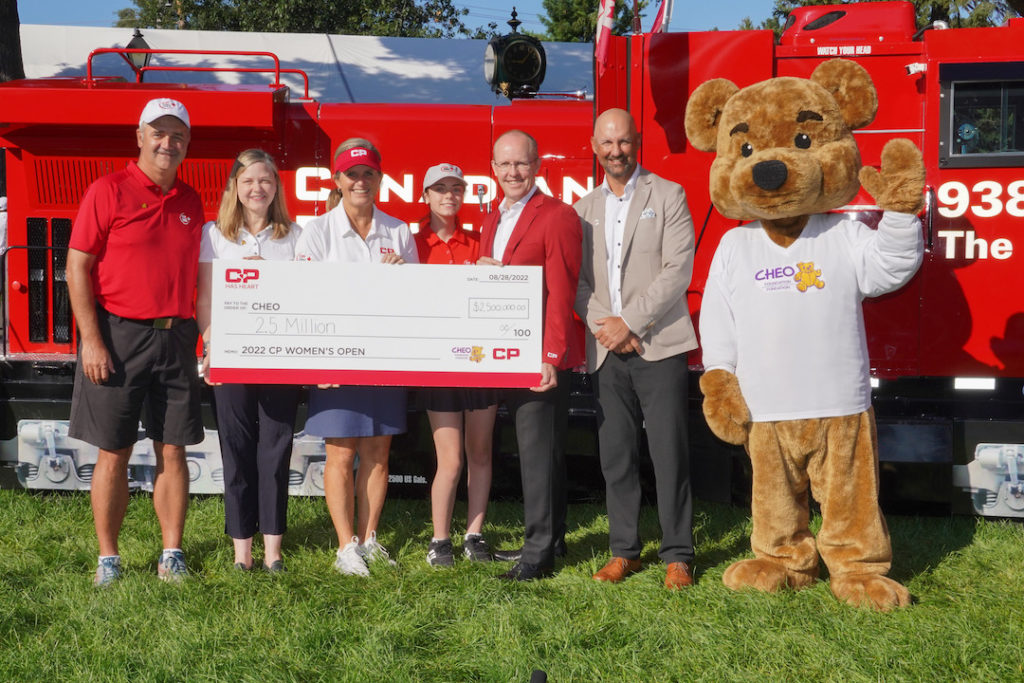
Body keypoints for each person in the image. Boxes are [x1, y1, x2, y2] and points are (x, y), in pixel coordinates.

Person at [66, 98, 204, 586]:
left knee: (173, 450)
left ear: (187, 144)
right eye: (159, 133)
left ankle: (172, 553)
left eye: (178, 135)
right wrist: (92, 340)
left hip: (177, 337)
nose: (169, 143)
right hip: (119, 336)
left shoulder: (191, 201)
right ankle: (109, 558)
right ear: (140, 137)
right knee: (114, 451)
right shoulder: (107, 190)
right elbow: (76, 267)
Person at [574, 108, 698, 589]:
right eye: (606, 143)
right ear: (594, 146)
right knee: (616, 454)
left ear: (637, 141)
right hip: (606, 349)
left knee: (669, 452)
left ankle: (678, 555)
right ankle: (624, 551)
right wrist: (605, 326)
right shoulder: (583, 209)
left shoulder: (668, 195)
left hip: (659, 344)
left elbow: (677, 270)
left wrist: (630, 321)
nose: (615, 151)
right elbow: (579, 282)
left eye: (623, 142)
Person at [294, 138, 419, 577]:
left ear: (380, 178)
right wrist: (315, 360)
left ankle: (369, 539)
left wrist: (403, 277)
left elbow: (418, 299)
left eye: (368, 173)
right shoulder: (317, 231)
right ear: (337, 180)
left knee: (379, 453)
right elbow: (305, 299)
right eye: (352, 174)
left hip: (384, 356)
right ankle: (345, 545)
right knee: (340, 454)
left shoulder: (399, 231)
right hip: (335, 358)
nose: (360, 181)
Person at [479, 130, 583, 581]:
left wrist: (551, 355)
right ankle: (552, 538)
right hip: (506, 352)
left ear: (537, 165)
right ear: (493, 168)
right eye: (504, 165)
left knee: (537, 454)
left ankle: (537, 554)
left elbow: (562, 288)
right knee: (540, 452)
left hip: (537, 355)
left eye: (520, 163)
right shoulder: (493, 219)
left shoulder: (557, 215)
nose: (512, 172)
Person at [196, 149, 302, 573]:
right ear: (234, 189)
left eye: (266, 181)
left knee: (276, 449)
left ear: (275, 188)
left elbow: (304, 297)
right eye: (249, 181)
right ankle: (243, 550)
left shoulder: (294, 236)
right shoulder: (214, 235)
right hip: (233, 357)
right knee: (236, 449)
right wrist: (210, 343)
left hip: (279, 359)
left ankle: (273, 549)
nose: (258, 188)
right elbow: (205, 299)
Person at [413, 163, 498, 567]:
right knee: (451, 458)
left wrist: (496, 274)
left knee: (480, 452)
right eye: (440, 189)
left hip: (480, 361)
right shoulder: (412, 244)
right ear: (425, 196)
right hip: (438, 364)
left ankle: (474, 535)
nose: (449, 195)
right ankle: (440, 540)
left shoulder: (482, 242)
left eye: (456, 188)